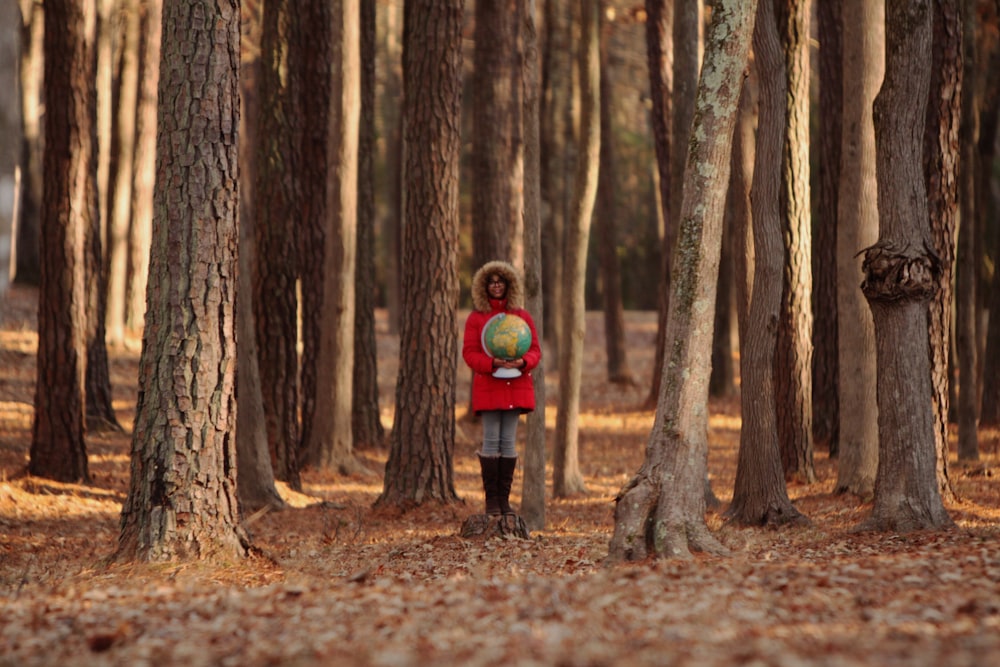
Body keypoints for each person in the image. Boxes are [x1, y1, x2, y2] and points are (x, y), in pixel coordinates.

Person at [462, 260, 541, 516]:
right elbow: (470, 353)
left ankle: (504, 502)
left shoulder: (522, 317)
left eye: (501, 282)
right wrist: (491, 362)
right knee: (491, 440)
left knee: (508, 442)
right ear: (484, 287)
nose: (496, 286)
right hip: (489, 386)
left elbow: (535, 350)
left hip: (516, 385)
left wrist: (523, 361)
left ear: (509, 285)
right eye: (492, 282)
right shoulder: (476, 319)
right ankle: (491, 502)